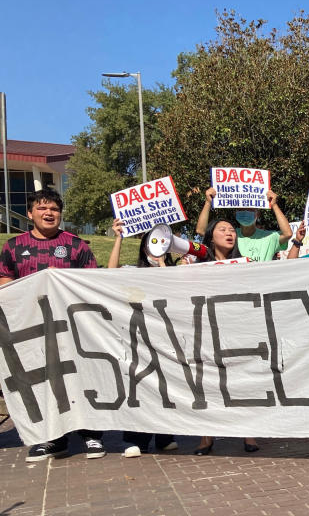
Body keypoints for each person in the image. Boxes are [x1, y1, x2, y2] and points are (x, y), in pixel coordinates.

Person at [0, 188, 105, 461]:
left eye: (55, 210)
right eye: (43, 208)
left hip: (71, 327)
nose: (49, 213)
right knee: (46, 382)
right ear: (30, 213)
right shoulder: (12, 247)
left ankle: (91, 433)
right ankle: (54, 439)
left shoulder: (77, 245)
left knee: (79, 377)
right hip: (32, 330)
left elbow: (91, 283)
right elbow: (5, 286)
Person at [107, 218, 179, 457]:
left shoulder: (172, 270)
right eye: (152, 243)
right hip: (137, 338)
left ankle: (164, 437)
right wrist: (119, 237)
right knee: (138, 387)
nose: (155, 248)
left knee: (165, 388)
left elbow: (172, 287)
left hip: (165, 340)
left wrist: (161, 263)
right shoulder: (131, 271)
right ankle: (134, 438)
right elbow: (109, 274)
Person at [193, 219, 260, 455]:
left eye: (232, 230)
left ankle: (249, 433)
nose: (229, 233)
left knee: (242, 380)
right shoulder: (196, 263)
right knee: (206, 381)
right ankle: (206, 437)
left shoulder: (245, 264)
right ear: (211, 237)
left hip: (236, 328)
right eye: (222, 230)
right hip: (207, 328)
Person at [195, 187, 292, 262]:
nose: (245, 211)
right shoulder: (231, 236)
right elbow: (201, 231)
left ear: (257, 214)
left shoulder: (269, 237)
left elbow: (288, 233)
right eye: (241, 209)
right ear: (236, 213)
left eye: (250, 209)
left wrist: (274, 205)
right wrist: (208, 202)